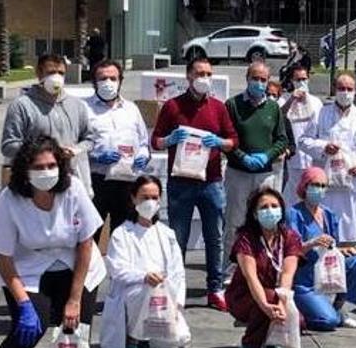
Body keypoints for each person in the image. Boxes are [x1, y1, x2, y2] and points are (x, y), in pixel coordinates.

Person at [0, 136, 106, 348]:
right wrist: (23, 303)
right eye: (38, 167)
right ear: (25, 170)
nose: (46, 172)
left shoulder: (73, 189)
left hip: (77, 266)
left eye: (51, 166)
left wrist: (74, 300)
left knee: (73, 334)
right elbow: (3, 256)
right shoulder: (10, 199)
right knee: (29, 330)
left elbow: (86, 243)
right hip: (28, 269)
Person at [151, 57, 238, 312]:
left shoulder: (218, 108)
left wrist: (219, 143)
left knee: (215, 238)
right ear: (188, 76)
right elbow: (155, 140)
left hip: (211, 181)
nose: (204, 78)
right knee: (179, 238)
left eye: (208, 73)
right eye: (200, 73)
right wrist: (170, 139)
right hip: (180, 182)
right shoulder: (172, 106)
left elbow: (233, 140)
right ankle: (176, 288)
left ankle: (215, 288)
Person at [100, 175, 190, 348]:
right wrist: (143, 277)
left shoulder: (167, 234)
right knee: (144, 290)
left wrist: (177, 301)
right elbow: (117, 269)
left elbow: (177, 271)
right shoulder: (121, 233)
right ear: (133, 199)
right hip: (133, 290)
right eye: (144, 197)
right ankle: (132, 340)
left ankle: (150, 336)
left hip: (163, 294)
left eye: (154, 197)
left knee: (179, 337)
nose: (150, 202)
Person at [299, 72, 356, 247]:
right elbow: (304, 140)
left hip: (351, 185)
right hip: (325, 186)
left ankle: (348, 257)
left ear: (355, 91)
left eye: (349, 89)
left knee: (349, 231)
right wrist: (323, 147)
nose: (345, 92)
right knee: (325, 229)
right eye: (341, 88)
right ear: (335, 90)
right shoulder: (321, 114)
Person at [223, 62, 288, 277]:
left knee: (267, 222)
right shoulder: (232, 105)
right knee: (235, 223)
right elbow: (227, 140)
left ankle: (264, 270)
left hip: (265, 175)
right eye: (255, 78)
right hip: (238, 174)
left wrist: (267, 156)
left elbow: (281, 140)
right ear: (247, 78)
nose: (259, 83)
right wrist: (243, 157)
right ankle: (230, 272)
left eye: (263, 79)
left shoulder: (273, 108)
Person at [1, 53, 96, 196]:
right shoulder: (22, 106)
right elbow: (8, 146)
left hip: (69, 183)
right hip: (34, 184)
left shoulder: (77, 105)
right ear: (39, 73)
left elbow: (90, 139)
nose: (56, 77)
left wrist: (76, 149)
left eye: (61, 73)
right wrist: (45, 152)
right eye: (51, 72)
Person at [225, 187, 300, 348]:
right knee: (269, 299)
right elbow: (251, 277)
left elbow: (288, 274)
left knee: (296, 316)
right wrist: (266, 305)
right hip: (244, 295)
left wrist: (282, 303)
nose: (270, 210)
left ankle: (267, 340)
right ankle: (249, 345)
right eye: (264, 207)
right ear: (255, 214)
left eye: (274, 206)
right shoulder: (246, 238)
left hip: (276, 292)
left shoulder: (289, 237)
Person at [287, 168, 356, 330]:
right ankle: (301, 310)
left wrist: (343, 251)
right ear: (305, 186)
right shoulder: (293, 214)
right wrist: (312, 243)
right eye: (315, 185)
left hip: (327, 273)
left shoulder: (328, 214)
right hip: (304, 280)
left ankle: (339, 307)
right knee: (328, 321)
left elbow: (332, 247)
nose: (320, 189)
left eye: (323, 186)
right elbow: (290, 251)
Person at [86, 59, 150, 240]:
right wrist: (95, 156)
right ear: (94, 82)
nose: (108, 83)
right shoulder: (84, 109)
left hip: (126, 181)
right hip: (96, 181)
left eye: (113, 78)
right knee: (90, 235)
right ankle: (91, 268)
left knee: (123, 236)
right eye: (102, 78)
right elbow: (74, 145)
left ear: (120, 81)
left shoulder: (131, 109)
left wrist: (143, 155)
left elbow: (144, 142)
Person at [280, 65, 324, 204]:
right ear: (292, 81)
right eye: (297, 79)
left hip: (313, 158)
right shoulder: (285, 100)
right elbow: (278, 116)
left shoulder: (317, 102)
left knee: (312, 195)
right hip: (295, 158)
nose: (301, 82)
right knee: (293, 196)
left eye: (304, 79)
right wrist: (291, 100)